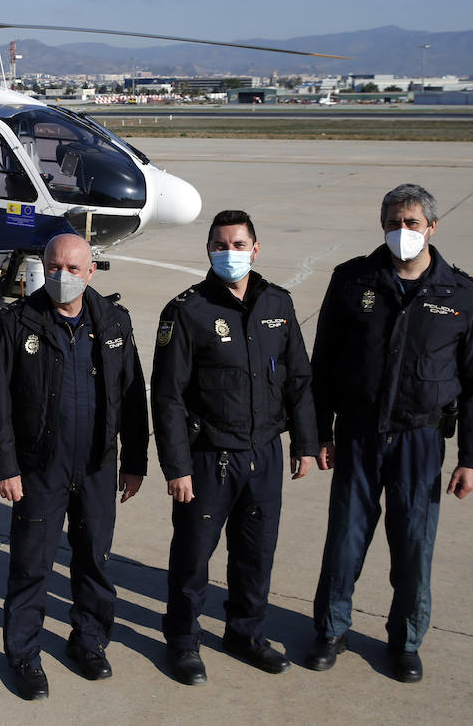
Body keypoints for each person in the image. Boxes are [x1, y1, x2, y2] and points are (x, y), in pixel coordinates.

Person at [307, 183, 473, 683]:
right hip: (359, 434)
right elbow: (323, 364)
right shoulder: (351, 280)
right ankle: (330, 631)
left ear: (432, 227)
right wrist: (318, 432)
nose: (401, 232)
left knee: (413, 544)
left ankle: (405, 641)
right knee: (345, 540)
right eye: (392, 222)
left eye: (411, 223)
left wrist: (471, 458)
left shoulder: (463, 294)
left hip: (421, 439)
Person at [150, 210, 318, 685]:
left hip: (264, 453)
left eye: (239, 244)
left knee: (256, 553)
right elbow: (167, 397)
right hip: (209, 459)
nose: (230, 253)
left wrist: (305, 443)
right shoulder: (186, 311)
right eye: (221, 245)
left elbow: (299, 380)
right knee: (193, 558)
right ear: (208, 250)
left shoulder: (278, 304)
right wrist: (176, 466)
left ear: (256, 249)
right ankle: (183, 641)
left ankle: (244, 633)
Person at [0, 232, 149, 700]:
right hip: (39, 467)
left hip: (97, 465)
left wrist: (135, 460)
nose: (63, 276)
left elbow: (134, 397)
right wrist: (4, 465)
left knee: (94, 559)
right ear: (43, 266)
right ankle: (24, 655)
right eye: (55, 266)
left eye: (74, 269)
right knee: (32, 564)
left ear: (91, 272)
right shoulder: (17, 323)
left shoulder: (115, 321)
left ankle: (88, 641)